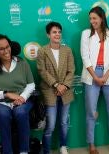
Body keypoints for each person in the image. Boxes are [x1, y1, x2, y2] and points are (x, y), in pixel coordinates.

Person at [0, 34, 35, 154]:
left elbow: (31, 85)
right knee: (3, 115)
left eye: (7, 47)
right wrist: (6, 94)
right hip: (2, 103)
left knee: (20, 112)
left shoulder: (22, 63)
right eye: (1, 49)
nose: (6, 51)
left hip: (22, 100)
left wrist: (22, 97)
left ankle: (24, 151)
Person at [80, 6, 109, 154]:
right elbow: (85, 57)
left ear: (102, 18)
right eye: (90, 19)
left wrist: (105, 76)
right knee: (91, 111)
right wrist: (96, 76)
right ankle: (91, 145)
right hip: (91, 75)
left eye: (94, 18)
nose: (92, 21)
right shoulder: (85, 34)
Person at [36, 22, 75, 154]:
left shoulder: (67, 50)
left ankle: (63, 146)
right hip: (49, 91)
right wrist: (56, 84)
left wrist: (64, 85)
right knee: (50, 125)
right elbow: (42, 71)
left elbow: (71, 70)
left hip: (66, 91)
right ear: (48, 35)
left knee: (64, 122)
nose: (57, 34)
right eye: (54, 32)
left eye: (59, 31)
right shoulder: (42, 51)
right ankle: (46, 150)